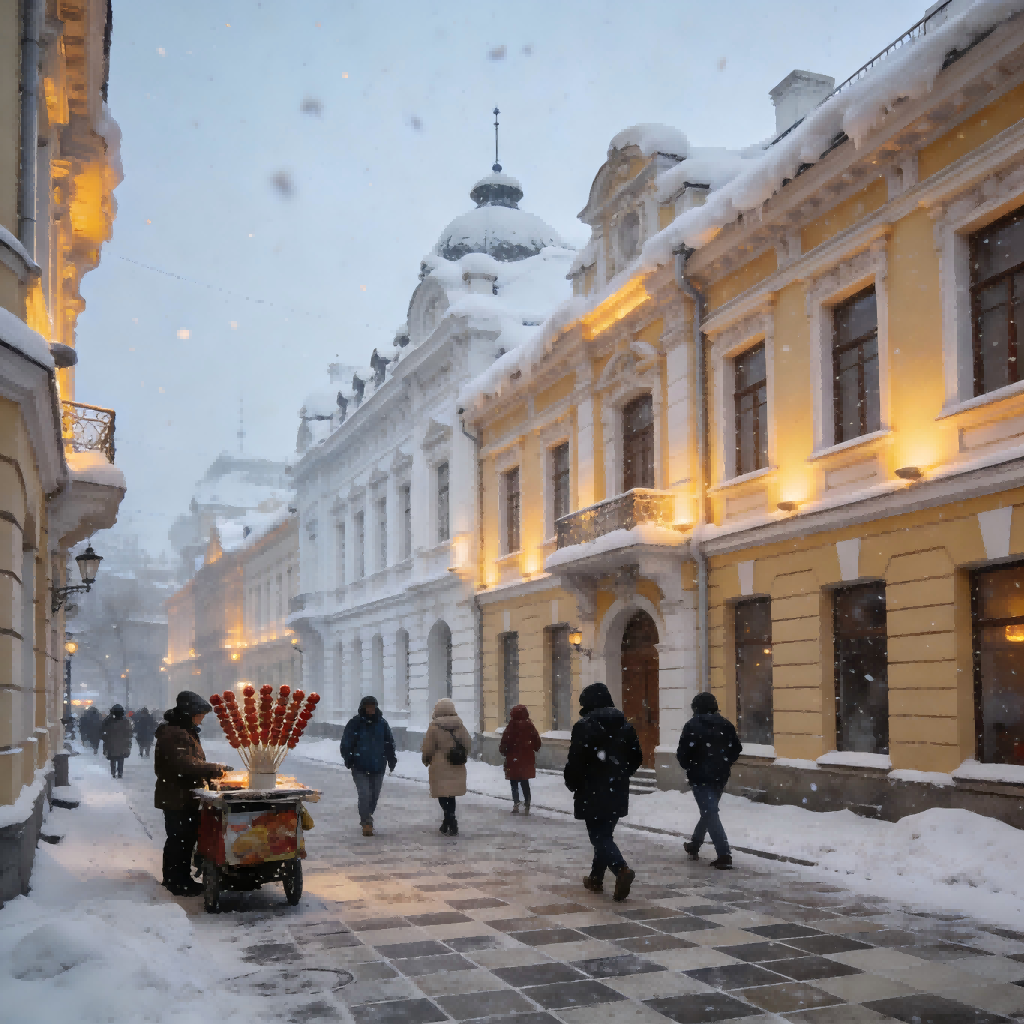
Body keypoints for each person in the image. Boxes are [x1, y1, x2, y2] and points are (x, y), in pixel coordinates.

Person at [563, 682, 642, 902]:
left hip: (591, 789)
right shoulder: (625, 725)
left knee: (599, 836)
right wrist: (620, 773)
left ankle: (621, 869)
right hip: (616, 788)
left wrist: (573, 782)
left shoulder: (584, 725)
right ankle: (596, 878)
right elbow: (637, 757)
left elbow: (575, 760)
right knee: (604, 835)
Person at [154, 690, 231, 896]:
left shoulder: (183, 730)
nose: (201, 719)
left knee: (184, 839)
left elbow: (190, 762)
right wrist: (212, 768)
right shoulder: (174, 733)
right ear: (189, 713)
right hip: (176, 797)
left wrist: (208, 770)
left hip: (182, 796)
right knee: (179, 839)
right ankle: (175, 882)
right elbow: (184, 765)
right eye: (200, 715)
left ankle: (181, 879)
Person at [677, 692, 742, 870]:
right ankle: (694, 845)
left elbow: (682, 754)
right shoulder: (726, 724)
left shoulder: (692, 725)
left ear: (696, 708)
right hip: (720, 776)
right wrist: (724, 762)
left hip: (700, 777)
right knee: (709, 811)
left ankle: (724, 854)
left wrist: (691, 766)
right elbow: (736, 748)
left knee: (710, 812)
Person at [340, 695, 397, 837]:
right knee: (364, 794)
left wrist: (391, 758)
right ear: (363, 707)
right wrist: (349, 758)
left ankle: (368, 814)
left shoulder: (382, 723)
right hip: (359, 766)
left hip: (378, 765)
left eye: (373, 706)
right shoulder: (355, 723)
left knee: (374, 795)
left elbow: (389, 742)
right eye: (368, 706)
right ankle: (366, 821)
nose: (371, 709)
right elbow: (346, 743)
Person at [421, 697, 472, 837]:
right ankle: (449, 819)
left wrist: (426, 759)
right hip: (456, 764)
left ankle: (450, 818)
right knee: (451, 794)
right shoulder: (460, 725)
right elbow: (468, 743)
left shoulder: (434, 727)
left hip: (439, 765)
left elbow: (428, 748)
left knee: (442, 793)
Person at [499, 704, 541, 814]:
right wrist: (534, 748)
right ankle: (527, 803)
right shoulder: (529, 726)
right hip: (526, 759)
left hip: (513, 758)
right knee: (524, 781)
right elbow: (537, 741)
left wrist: (503, 751)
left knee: (513, 782)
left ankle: (516, 804)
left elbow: (505, 741)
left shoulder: (511, 726)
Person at [101, 704, 133, 779]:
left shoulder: (108, 720)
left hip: (111, 742)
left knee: (113, 758)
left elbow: (103, 730)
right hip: (122, 742)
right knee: (120, 758)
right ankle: (120, 772)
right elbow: (129, 731)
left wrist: (105, 738)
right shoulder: (125, 720)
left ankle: (113, 772)